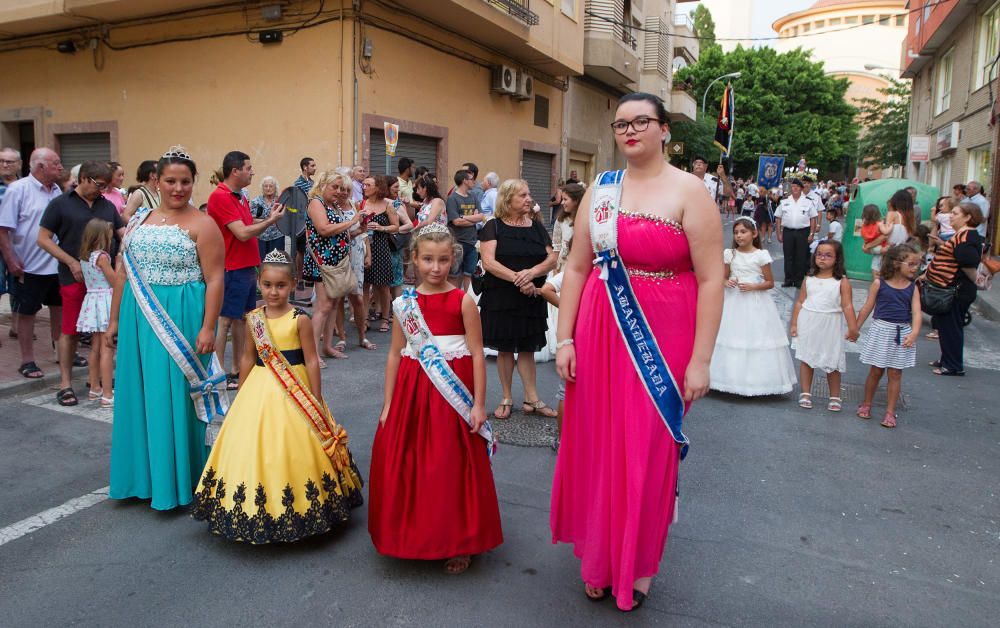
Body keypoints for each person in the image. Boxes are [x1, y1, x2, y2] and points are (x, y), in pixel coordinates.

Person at [552, 93, 724, 612]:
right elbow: (578, 268)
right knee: (601, 444)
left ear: (665, 129)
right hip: (601, 330)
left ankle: (639, 563)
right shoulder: (601, 191)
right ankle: (601, 559)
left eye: (641, 121)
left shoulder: (691, 191)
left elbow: (713, 278)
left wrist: (700, 359)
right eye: (621, 123)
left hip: (664, 333)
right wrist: (564, 338)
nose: (630, 131)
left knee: (648, 449)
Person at [191, 250, 364, 543]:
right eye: (268, 285)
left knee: (296, 444)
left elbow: (310, 359)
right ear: (259, 283)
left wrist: (316, 395)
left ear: (293, 285)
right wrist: (242, 392)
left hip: (295, 388)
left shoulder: (300, 319)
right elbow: (247, 357)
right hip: (260, 386)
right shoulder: (253, 319)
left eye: (281, 286)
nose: (273, 291)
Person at [368, 224, 502, 573]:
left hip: (451, 391)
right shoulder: (404, 305)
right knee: (412, 462)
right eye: (427, 259)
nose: (436, 267)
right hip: (413, 391)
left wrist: (478, 404)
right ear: (413, 259)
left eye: (443, 260)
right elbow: (396, 354)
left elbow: (476, 353)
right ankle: (412, 534)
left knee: (449, 464)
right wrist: (388, 403)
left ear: (452, 260)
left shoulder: (462, 301)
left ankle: (458, 540)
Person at [107, 147, 225, 510]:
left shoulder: (202, 224)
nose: (177, 188)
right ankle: (141, 478)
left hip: (182, 317)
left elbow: (215, 277)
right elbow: (124, 273)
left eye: (185, 181)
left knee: (173, 395)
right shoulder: (139, 219)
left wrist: (208, 327)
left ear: (194, 183)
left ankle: (179, 481)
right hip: (138, 317)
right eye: (170, 181)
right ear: (156, 181)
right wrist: (113, 319)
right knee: (140, 391)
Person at [37, 161, 125, 406]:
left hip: (103, 281)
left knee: (101, 336)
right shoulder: (60, 204)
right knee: (71, 330)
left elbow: (121, 233)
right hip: (73, 276)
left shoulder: (106, 205)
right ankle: (65, 383)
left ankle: (95, 382)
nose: (103, 190)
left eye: (106, 186)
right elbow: (43, 239)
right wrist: (71, 262)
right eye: (99, 185)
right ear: (84, 178)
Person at [478, 179, 557, 419]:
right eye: (523, 195)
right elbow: (489, 262)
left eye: (528, 194)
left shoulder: (536, 226)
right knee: (504, 348)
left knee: (527, 348)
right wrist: (519, 279)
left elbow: (552, 258)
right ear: (507, 199)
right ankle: (506, 397)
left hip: (531, 296)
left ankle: (532, 398)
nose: (529, 199)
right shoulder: (493, 226)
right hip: (501, 297)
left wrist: (532, 274)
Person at [207, 151, 284, 390]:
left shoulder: (239, 196)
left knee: (243, 319)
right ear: (235, 171)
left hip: (245, 266)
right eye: (249, 168)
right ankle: (218, 372)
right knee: (225, 320)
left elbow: (248, 229)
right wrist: (271, 221)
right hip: (231, 267)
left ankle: (239, 368)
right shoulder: (221, 196)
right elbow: (241, 233)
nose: (252, 172)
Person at [710, 217, 796, 396]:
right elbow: (723, 277)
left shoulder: (761, 256)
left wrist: (754, 286)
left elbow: (770, 282)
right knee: (730, 337)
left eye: (743, 232)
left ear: (754, 234)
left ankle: (754, 382)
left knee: (754, 338)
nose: (739, 236)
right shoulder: (730, 254)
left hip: (755, 302)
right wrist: (727, 282)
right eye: (736, 233)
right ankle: (725, 379)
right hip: (733, 301)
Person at [0, 148, 64, 379]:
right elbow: (3, 229)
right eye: (55, 164)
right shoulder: (18, 190)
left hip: (56, 264)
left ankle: (62, 353)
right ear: (40, 167)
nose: (60, 167)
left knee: (59, 309)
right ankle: (27, 360)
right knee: (27, 313)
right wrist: (11, 260)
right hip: (28, 264)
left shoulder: (57, 190)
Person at [304, 170, 374, 362]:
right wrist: (351, 221)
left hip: (336, 261)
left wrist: (358, 230)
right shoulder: (316, 203)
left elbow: (339, 234)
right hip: (323, 261)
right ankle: (312, 354)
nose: (339, 191)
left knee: (334, 303)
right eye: (334, 187)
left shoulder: (331, 204)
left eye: (342, 188)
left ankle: (326, 347)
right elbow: (324, 229)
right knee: (323, 306)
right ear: (322, 185)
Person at [855, 243, 922, 428]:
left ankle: (890, 412)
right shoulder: (879, 284)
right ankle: (866, 403)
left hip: (902, 332)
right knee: (876, 370)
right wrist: (856, 328)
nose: (916, 268)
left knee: (895, 373)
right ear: (895, 263)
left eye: (917, 264)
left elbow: (916, 313)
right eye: (912, 263)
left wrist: (914, 333)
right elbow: (868, 307)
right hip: (881, 330)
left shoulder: (912, 287)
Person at [790, 241, 859, 411]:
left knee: (832, 360)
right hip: (808, 322)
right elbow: (800, 302)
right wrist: (794, 324)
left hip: (830, 324)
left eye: (828, 255)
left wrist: (853, 328)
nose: (822, 258)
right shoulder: (809, 278)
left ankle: (835, 396)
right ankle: (806, 392)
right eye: (819, 254)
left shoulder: (841, 282)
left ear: (837, 259)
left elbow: (847, 306)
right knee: (807, 358)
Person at [924, 203, 985, 376]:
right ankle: (946, 359)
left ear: (968, 217)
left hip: (956, 290)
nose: (951, 216)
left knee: (951, 327)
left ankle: (953, 365)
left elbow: (967, 262)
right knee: (945, 326)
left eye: (955, 213)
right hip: (950, 288)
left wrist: (977, 281)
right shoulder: (962, 235)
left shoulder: (967, 236)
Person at [76, 218, 117, 408]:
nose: (111, 236)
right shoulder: (102, 257)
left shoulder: (86, 256)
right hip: (105, 302)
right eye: (108, 233)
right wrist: (119, 265)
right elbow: (115, 281)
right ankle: (108, 393)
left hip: (92, 300)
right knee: (107, 348)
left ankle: (95, 387)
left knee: (95, 347)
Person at [361, 175, 400, 333]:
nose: (364, 187)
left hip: (381, 247)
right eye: (364, 185)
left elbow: (396, 227)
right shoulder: (362, 204)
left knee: (383, 286)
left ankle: (385, 318)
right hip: (365, 247)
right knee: (364, 285)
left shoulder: (387, 205)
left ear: (378, 187)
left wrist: (381, 228)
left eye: (368, 185)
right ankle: (364, 318)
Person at [775, 178, 819, 287]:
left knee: (801, 256)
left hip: (803, 232)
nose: (794, 188)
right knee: (788, 256)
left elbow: (813, 218)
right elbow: (778, 218)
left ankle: (799, 280)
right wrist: (778, 233)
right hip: (788, 231)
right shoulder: (784, 201)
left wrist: (811, 234)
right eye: (793, 186)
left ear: (801, 189)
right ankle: (788, 279)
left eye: (797, 187)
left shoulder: (808, 202)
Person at [446, 169, 485, 290]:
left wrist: (464, 217)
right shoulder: (453, 199)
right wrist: (473, 218)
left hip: (472, 243)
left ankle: (465, 300)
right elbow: (456, 222)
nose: (474, 181)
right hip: (457, 243)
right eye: (471, 179)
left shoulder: (473, 196)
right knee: (454, 275)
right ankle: (454, 301)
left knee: (469, 274)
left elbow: (481, 217)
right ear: (464, 180)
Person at [388, 178, 415, 300]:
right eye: (395, 187)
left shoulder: (396, 203)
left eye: (398, 186)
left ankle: (396, 309)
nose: (398, 189)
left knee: (396, 279)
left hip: (393, 246)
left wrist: (391, 229)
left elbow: (409, 225)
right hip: (383, 246)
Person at [250, 176, 285, 259]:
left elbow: (284, 219)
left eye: (271, 186)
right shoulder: (256, 201)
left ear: (275, 187)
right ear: (262, 188)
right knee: (262, 264)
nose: (268, 188)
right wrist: (269, 220)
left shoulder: (280, 201)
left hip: (277, 237)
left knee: (277, 262)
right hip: (261, 238)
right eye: (266, 186)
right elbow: (252, 220)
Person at [552, 183, 584, 272]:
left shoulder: (586, 221)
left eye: (565, 199)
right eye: (562, 199)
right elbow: (557, 247)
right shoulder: (561, 220)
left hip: (579, 269)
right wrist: (555, 269)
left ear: (576, 200)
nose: (562, 203)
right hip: (562, 268)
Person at [860, 204, 890, 278]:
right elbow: (886, 233)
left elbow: (863, 236)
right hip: (880, 247)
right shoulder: (879, 224)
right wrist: (890, 225)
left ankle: (876, 280)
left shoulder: (864, 225)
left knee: (875, 264)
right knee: (883, 253)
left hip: (871, 248)